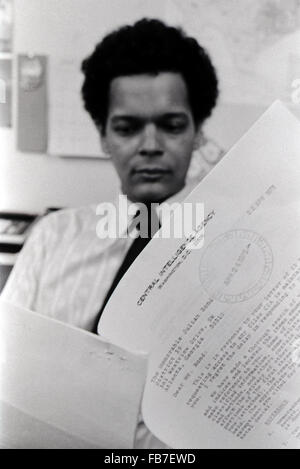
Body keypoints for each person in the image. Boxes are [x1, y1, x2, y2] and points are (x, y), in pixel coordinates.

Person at [1, 18, 218, 447]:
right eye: (127, 127)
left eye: (172, 125)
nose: (150, 144)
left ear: (196, 135)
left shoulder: (228, 251)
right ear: (103, 136)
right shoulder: (52, 238)